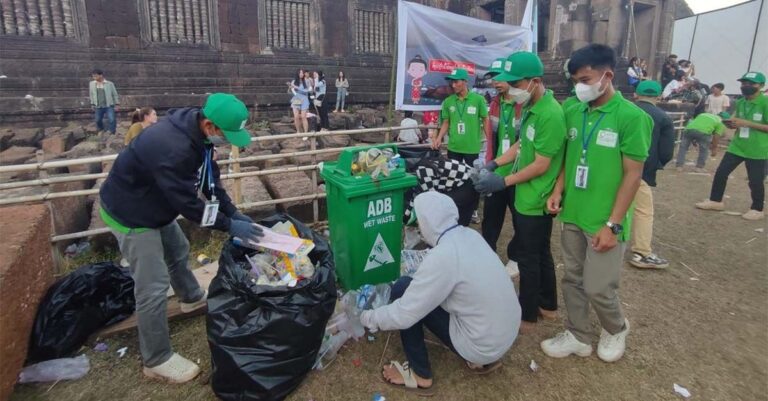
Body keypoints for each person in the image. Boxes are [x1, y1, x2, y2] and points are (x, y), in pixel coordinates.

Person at [99, 93, 264, 383]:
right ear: (211, 125)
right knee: (153, 286)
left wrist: (233, 213)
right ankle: (156, 359)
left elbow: (211, 184)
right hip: (130, 213)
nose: (230, 141)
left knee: (178, 249)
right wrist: (229, 226)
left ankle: (190, 297)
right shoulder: (173, 148)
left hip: (155, 204)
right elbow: (190, 207)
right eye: (229, 134)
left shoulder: (199, 135)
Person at [541, 44, 651, 363]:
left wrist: (613, 224)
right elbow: (567, 158)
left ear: (607, 75)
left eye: (586, 78)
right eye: (576, 79)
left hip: (605, 218)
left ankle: (615, 328)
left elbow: (633, 175)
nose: (580, 86)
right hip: (573, 213)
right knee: (572, 278)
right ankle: (577, 335)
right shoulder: (573, 110)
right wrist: (558, 190)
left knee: (598, 287)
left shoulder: (632, 117)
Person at [360, 191, 520, 396]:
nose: (417, 227)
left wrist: (366, 317)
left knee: (402, 289)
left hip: (481, 345)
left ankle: (420, 375)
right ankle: (482, 360)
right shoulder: (470, 235)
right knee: (417, 289)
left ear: (427, 222)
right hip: (503, 335)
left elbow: (404, 314)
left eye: (418, 221)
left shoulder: (444, 256)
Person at [474, 51, 567, 333]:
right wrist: (494, 163)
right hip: (527, 192)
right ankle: (547, 305)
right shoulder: (530, 109)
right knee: (539, 252)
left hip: (536, 196)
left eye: (515, 83)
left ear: (534, 82)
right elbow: (521, 147)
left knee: (528, 257)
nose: (511, 89)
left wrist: (503, 182)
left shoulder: (550, 114)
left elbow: (541, 164)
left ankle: (527, 315)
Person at [696, 71, 768, 220]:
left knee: (755, 179)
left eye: (751, 84)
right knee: (721, 172)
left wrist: (747, 123)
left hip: (757, 148)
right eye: (744, 83)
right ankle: (715, 201)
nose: (746, 86)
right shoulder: (741, 102)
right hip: (737, 145)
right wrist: (731, 123)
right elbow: (736, 119)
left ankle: (757, 208)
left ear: (761, 86)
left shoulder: (765, 103)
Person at [479, 56, 521, 278]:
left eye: (500, 77)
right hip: (496, 170)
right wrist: (489, 165)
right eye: (493, 77)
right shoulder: (495, 103)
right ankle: (488, 254)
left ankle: (515, 257)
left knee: (519, 219)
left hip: (518, 173)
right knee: (491, 218)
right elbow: (491, 139)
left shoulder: (524, 103)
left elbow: (524, 143)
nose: (496, 81)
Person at [431, 68, 489, 225]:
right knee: (453, 179)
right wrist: (438, 137)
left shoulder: (478, 100)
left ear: (465, 82)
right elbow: (445, 122)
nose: (453, 84)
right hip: (454, 148)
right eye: (451, 81)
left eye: (456, 81)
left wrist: (490, 140)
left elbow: (485, 120)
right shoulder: (449, 102)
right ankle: (454, 209)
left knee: (472, 180)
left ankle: (473, 210)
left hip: (472, 149)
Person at [630, 81, 675, 269]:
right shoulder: (663, 117)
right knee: (643, 211)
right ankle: (641, 252)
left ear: (635, 94)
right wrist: (656, 165)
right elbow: (666, 152)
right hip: (641, 171)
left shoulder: (624, 111)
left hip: (615, 168)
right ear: (658, 97)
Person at [89, 69, 119, 135]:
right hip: (98, 105)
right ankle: (101, 130)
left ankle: (112, 132)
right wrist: (92, 104)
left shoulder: (109, 84)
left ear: (101, 75)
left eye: (96, 76)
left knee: (112, 119)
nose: (94, 78)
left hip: (108, 105)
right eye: (93, 76)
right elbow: (91, 94)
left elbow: (114, 94)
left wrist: (116, 104)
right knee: (98, 120)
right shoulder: (92, 84)